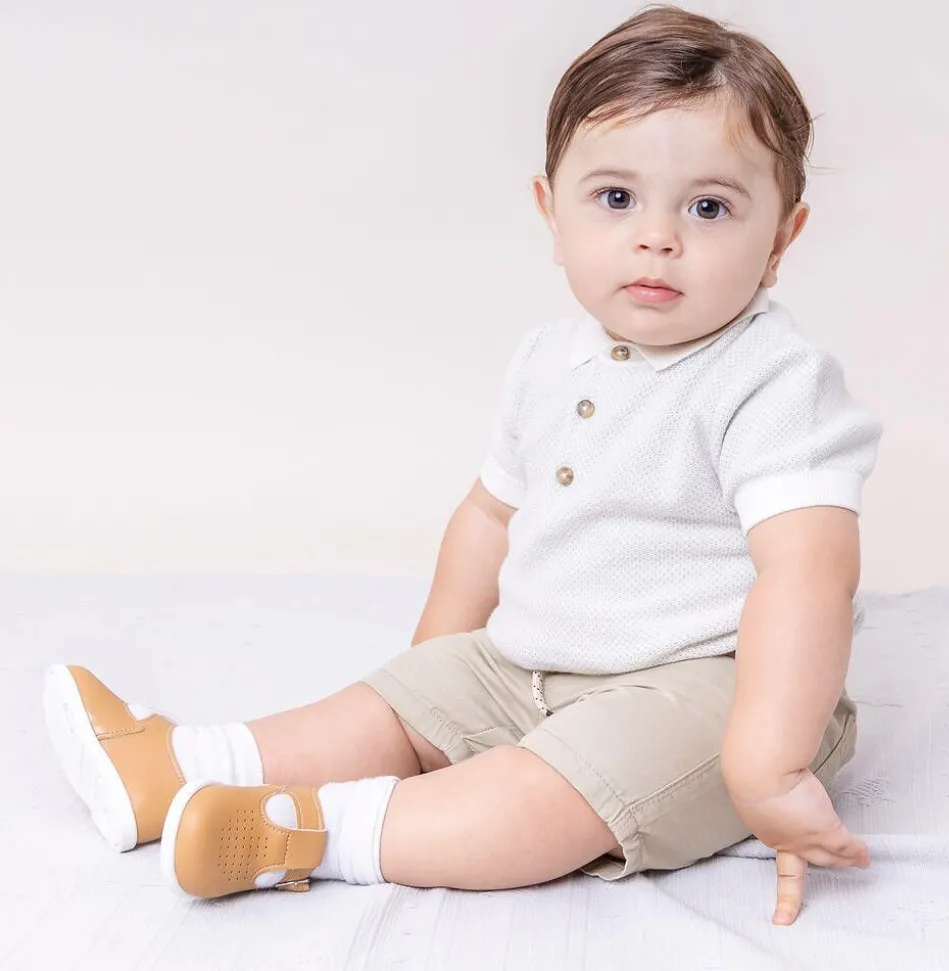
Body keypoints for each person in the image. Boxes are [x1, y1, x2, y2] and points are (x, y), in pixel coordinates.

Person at [43, 3, 882, 926]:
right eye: (615, 198)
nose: (657, 236)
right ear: (551, 213)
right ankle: (178, 767)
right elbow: (489, 517)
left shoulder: (772, 379)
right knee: (381, 706)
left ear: (781, 240)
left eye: (709, 207)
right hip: (532, 660)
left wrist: (769, 765)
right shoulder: (545, 360)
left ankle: (303, 832)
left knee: (550, 797)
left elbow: (808, 572)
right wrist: (423, 687)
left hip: (711, 686)